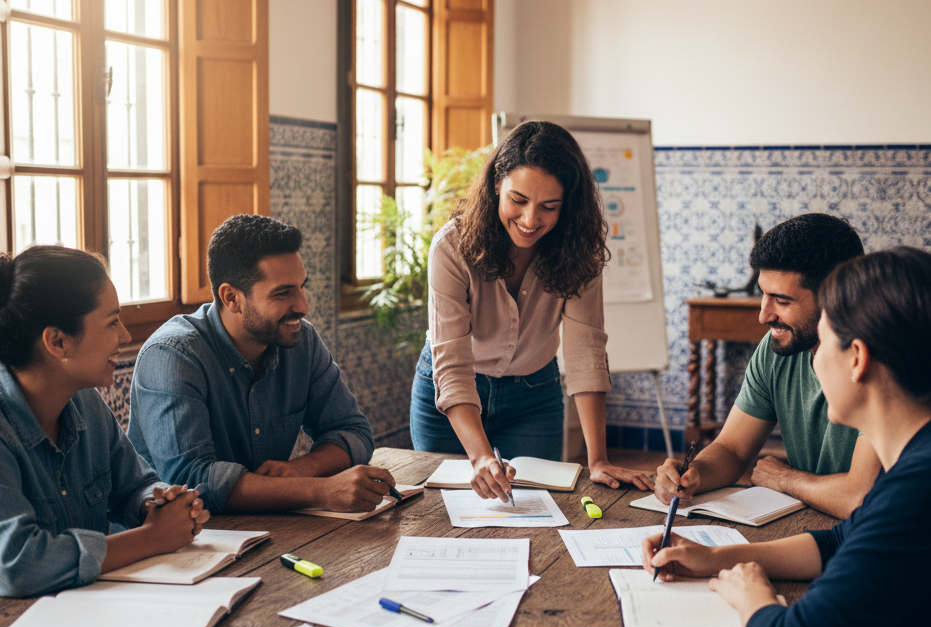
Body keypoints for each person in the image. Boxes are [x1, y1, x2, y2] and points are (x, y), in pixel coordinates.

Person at [643, 247, 931, 627]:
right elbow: (843, 542)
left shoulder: (916, 493)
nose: (814, 360)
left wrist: (752, 595)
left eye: (821, 342)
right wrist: (716, 558)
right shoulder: (913, 466)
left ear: (857, 358)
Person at [410, 120, 653, 502]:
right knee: (442, 512)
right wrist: (480, 456)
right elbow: (452, 363)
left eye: (548, 207)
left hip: (532, 398)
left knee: (532, 512)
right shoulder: (450, 248)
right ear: (496, 186)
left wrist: (599, 459)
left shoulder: (581, 252)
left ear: (567, 205)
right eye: (518, 200)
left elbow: (585, 350)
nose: (529, 220)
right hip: (450, 397)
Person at [128, 215, 394, 515]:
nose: (303, 306)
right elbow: (191, 479)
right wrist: (320, 490)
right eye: (283, 293)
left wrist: (299, 470)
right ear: (231, 298)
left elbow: (354, 431)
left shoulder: (301, 340)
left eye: (301, 287)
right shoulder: (172, 356)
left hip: (266, 528)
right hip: (178, 547)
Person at [0, 246, 209, 598]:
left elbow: (133, 485)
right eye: (112, 322)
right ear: (58, 341)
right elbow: (18, 564)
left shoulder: (85, 401)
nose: (125, 336)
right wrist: (152, 538)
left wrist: (156, 504)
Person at [654, 213, 881, 519]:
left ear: (835, 295)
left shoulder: (882, 362)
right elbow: (733, 449)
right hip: (812, 519)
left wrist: (783, 478)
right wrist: (694, 474)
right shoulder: (776, 349)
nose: (764, 315)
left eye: (782, 301)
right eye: (763, 293)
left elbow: (858, 498)